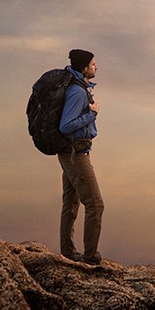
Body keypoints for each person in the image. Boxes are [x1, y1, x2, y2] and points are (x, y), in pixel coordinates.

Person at [58, 49, 104, 265]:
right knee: (95, 204)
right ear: (84, 67)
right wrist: (91, 114)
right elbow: (66, 125)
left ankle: (67, 251)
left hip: (70, 153)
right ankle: (90, 257)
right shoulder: (77, 92)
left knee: (71, 202)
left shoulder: (78, 88)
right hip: (76, 154)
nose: (96, 67)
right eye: (93, 64)